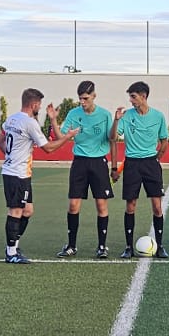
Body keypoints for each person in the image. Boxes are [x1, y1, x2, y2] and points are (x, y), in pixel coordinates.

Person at [0, 89, 72, 263]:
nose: (39, 106)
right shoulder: (29, 123)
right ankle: (11, 253)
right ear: (34, 104)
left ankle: (13, 245)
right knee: (15, 211)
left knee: (28, 210)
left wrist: (10, 157)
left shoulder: (12, 119)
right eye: (39, 104)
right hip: (17, 173)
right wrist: (67, 136)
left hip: (17, 171)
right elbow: (48, 148)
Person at [57, 80, 116, 258]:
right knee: (74, 205)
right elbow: (62, 136)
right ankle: (71, 246)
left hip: (99, 162)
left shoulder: (105, 114)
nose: (82, 102)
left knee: (101, 205)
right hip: (80, 162)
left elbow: (112, 139)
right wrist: (53, 120)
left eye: (85, 98)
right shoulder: (73, 114)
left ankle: (102, 246)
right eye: (80, 99)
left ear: (94, 96)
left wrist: (114, 166)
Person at [115, 81, 169, 258]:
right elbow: (114, 137)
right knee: (131, 205)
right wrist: (116, 121)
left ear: (143, 96)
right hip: (132, 164)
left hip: (150, 164)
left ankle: (160, 246)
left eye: (133, 97)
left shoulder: (158, 116)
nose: (131, 101)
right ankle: (129, 247)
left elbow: (163, 141)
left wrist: (156, 160)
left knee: (156, 206)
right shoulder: (126, 116)